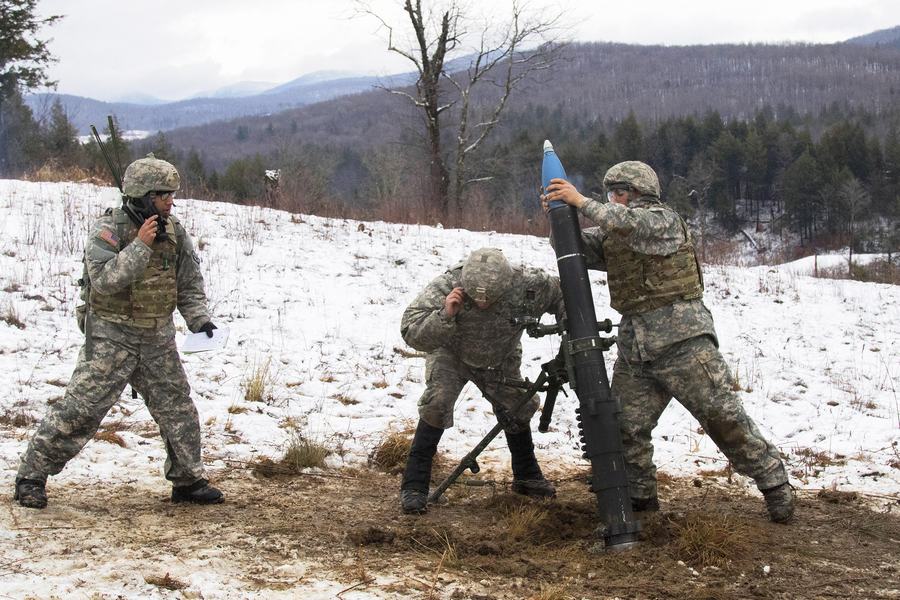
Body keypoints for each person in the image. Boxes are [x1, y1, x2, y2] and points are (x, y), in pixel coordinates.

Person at [542, 161, 794, 523]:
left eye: (620, 193)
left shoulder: (662, 221)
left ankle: (774, 483)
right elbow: (575, 248)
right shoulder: (616, 231)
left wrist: (580, 201)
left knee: (723, 417)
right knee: (625, 426)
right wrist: (558, 217)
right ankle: (641, 499)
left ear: (640, 193)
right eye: (610, 194)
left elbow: (629, 224)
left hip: (683, 341)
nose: (613, 199)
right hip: (637, 347)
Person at [14, 154, 223, 509]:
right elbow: (105, 281)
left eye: (172, 194)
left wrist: (199, 319)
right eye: (163, 195)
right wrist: (140, 245)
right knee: (80, 410)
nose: (171, 201)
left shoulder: (174, 232)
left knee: (178, 410)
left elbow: (188, 282)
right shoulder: (108, 231)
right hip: (112, 337)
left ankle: (188, 480)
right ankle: (32, 476)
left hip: (157, 338)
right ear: (143, 196)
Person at [398, 247, 565, 514]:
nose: (484, 303)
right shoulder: (446, 285)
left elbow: (564, 296)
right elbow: (411, 331)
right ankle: (414, 485)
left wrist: (567, 333)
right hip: (451, 354)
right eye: (477, 298)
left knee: (517, 408)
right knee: (436, 403)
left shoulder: (530, 284)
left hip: (500, 356)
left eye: (492, 298)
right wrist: (446, 314)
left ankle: (527, 476)